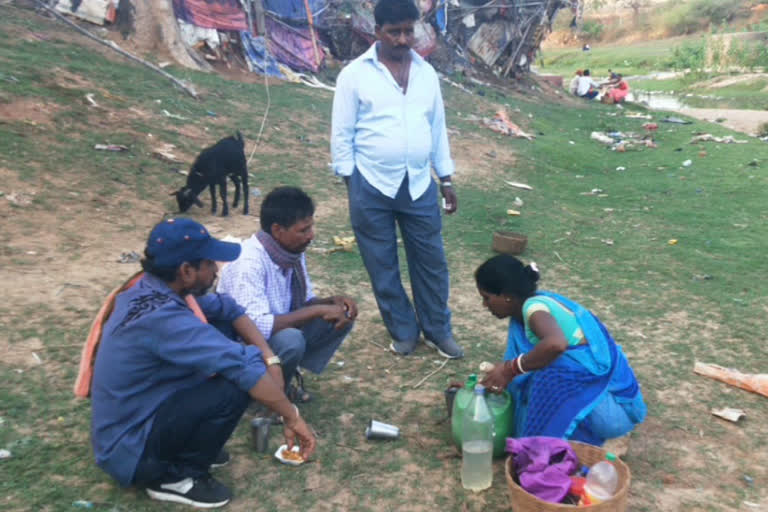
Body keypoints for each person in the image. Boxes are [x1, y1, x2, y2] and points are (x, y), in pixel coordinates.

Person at [91, 218, 316, 508]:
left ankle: (185, 447)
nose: (216, 269)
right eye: (210, 263)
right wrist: (291, 415)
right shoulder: (165, 319)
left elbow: (227, 307)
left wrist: (270, 357)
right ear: (186, 271)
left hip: (130, 426)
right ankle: (175, 477)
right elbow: (243, 367)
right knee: (236, 384)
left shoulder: (151, 289)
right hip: (132, 453)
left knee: (228, 335)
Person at [330, 0, 463, 359]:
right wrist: (351, 184)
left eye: (409, 30)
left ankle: (438, 330)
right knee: (382, 264)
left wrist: (446, 178)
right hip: (369, 184)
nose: (404, 39)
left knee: (431, 262)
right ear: (377, 32)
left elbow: (437, 130)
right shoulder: (354, 75)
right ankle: (404, 331)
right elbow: (341, 135)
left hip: (419, 183)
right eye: (395, 32)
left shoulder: (427, 74)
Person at [475, 255, 646, 446]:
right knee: (537, 383)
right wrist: (478, 390)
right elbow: (524, 369)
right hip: (594, 398)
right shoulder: (523, 315)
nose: (484, 305)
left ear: (506, 295)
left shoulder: (534, 308)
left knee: (549, 379)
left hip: (612, 411)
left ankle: (579, 440)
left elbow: (556, 344)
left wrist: (510, 368)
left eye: (487, 298)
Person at [217, 187, 357, 403]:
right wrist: (319, 309)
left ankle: (285, 378)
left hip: (274, 333)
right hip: (242, 347)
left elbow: (304, 301)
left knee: (340, 316)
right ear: (277, 230)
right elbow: (256, 327)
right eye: (303, 230)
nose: (311, 235)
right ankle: (263, 394)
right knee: (291, 340)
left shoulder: (290, 252)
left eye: (311, 227)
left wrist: (333, 302)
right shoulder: (248, 263)